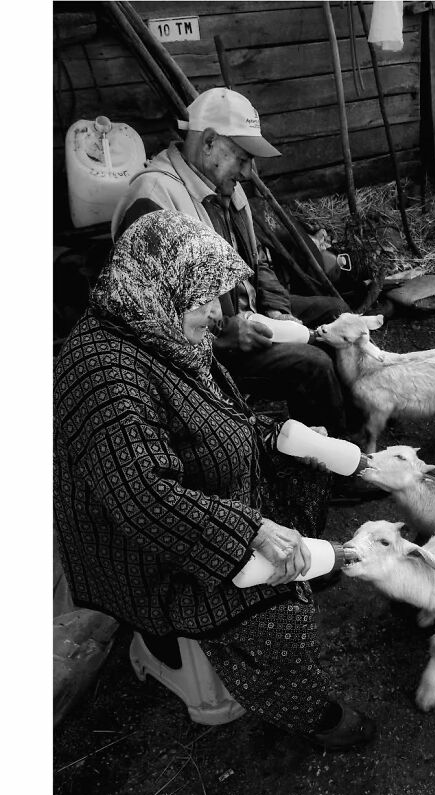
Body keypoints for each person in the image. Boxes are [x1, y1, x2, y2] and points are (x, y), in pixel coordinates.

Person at [53, 210, 376, 751]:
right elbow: (140, 497)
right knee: (272, 618)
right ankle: (308, 709)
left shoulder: (161, 328)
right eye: (202, 298)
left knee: (301, 470)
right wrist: (251, 531)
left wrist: (279, 436)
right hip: (148, 550)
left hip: (202, 495)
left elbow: (218, 415)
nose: (214, 311)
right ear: (161, 286)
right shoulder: (102, 371)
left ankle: (305, 560)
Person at [110, 87, 352, 438]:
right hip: (207, 351)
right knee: (312, 364)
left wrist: (278, 307)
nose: (249, 171)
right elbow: (143, 315)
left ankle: (360, 424)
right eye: (242, 158)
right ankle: (331, 467)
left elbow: (259, 263)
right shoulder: (154, 200)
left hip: (249, 312)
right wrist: (223, 336)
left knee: (336, 312)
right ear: (208, 142)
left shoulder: (227, 188)